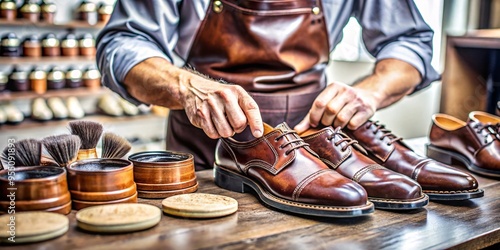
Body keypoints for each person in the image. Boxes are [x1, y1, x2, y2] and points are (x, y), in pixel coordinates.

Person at [96, 0, 440, 170]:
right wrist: (188, 88)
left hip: (314, 156)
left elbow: (409, 41)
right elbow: (123, 42)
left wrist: (372, 90)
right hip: (202, 153)